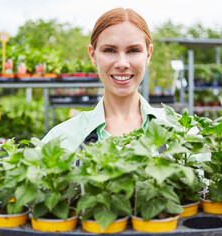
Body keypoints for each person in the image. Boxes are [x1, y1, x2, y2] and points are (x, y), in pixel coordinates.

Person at [42, 8, 167, 151]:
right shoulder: (61, 140)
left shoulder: (182, 132)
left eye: (133, 50)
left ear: (148, 55)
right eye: (109, 50)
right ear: (93, 56)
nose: (122, 63)